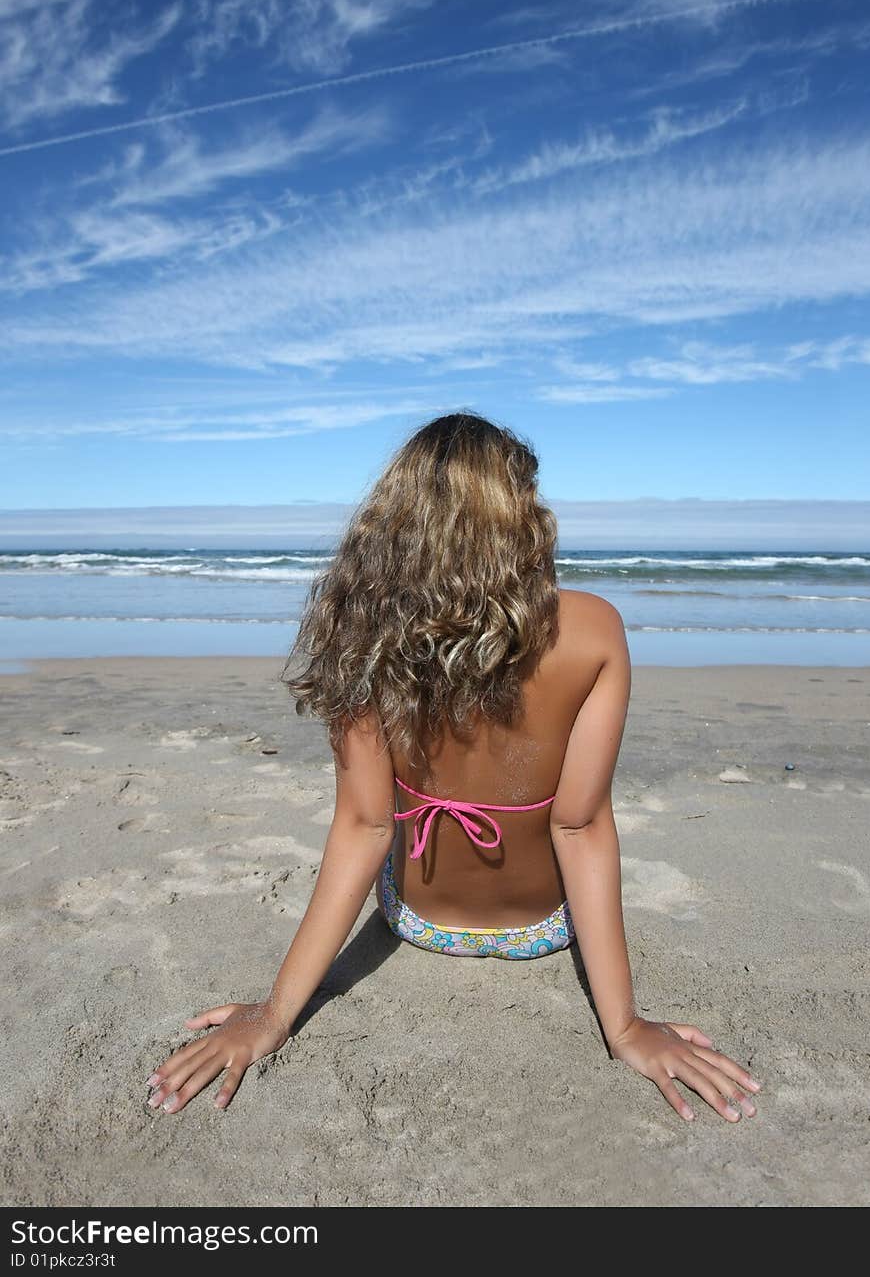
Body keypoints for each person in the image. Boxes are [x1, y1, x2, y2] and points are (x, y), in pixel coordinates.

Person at [147, 411, 760, 1122]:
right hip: (542, 928)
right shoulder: (593, 630)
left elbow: (365, 824)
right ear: (522, 518)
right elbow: (580, 826)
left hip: (417, 917)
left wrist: (273, 1014)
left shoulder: (363, 633)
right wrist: (624, 1027)